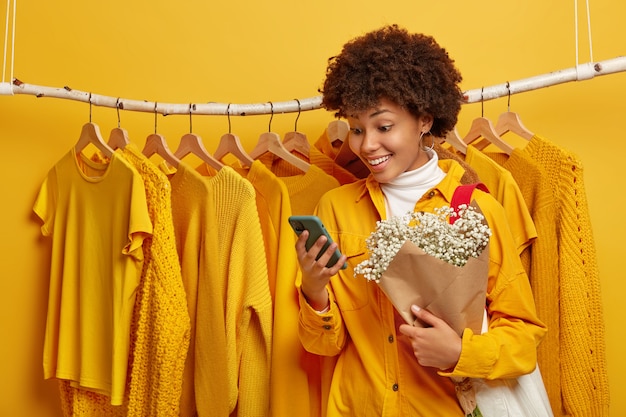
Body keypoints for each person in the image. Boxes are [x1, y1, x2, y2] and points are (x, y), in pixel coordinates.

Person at [295, 25, 547, 416]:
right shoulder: (335, 208)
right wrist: (315, 291)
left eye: (384, 127)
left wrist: (461, 353)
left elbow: (525, 340)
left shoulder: (478, 210)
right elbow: (324, 346)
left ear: (425, 119)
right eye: (357, 129)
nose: (366, 145)